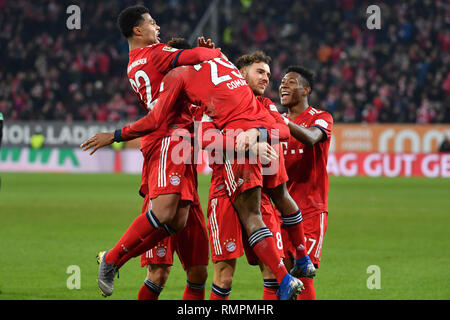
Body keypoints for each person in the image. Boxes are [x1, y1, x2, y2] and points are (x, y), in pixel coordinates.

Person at [82, 55, 306, 300]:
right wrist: (247, 144)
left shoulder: (253, 103)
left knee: (201, 272)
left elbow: (282, 130)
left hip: (216, 189)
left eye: (268, 74)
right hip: (198, 187)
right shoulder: (197, 100)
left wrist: (258, 133)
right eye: (260, 71)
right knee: (168, 273)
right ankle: (113, 258)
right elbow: (205, 138)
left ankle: (297, 264)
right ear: (240, 74)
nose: (266, 77)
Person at [84, 5, 223, 297]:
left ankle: (114, 257)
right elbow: (198, 56)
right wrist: (215, 53)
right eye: (152, 23)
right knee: (162, 216)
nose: (157, 28)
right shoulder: (156, 54)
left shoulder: (136, 61)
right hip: (167, 140)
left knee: (178, 221)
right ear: (138, 30)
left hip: (180, 143)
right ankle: (111, 259)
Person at [278, 66, 333, 300]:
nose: (283, 86)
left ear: (305, 89)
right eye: (281, 82)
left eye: (290, 82)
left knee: (303, 274)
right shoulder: (277, 123)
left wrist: (281, 122)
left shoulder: (321, 117)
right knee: (281, 276)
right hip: (279, 210)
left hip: (310, 208)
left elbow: (311, 138)